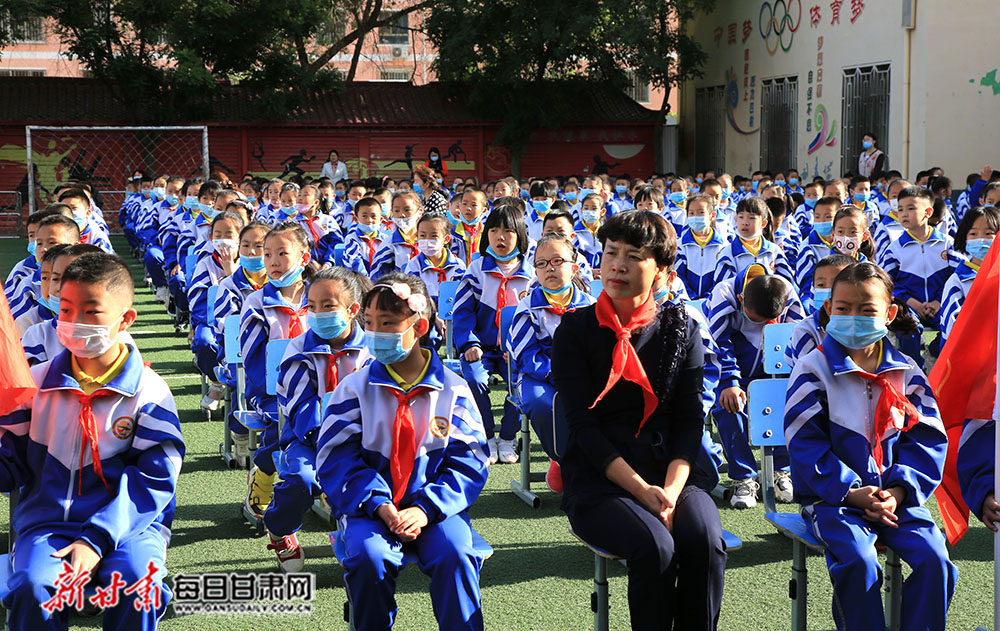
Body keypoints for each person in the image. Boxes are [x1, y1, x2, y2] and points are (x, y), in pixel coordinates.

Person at [552, 210, 726, 630]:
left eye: (634, 256)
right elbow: (582, 426)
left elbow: (689, 421)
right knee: (656, 547)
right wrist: (641, 490)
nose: (618, 265)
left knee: (705, 541)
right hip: (601, 477)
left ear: (663, 271)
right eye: (611, 252)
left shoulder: (682, 329)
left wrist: (667, 491)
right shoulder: (575, 329)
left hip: (672, 471)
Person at [0, 252, 184, 629]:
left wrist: (97, 539)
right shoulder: (34, 385)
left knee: (137, 583)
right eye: (65, 310)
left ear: (125, 319)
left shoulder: (149, 393)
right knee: (34, 587)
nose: (74, 322)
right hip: (46, 525)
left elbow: (154, 482)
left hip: (130, 528)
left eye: (91, 312)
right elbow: (8, 468)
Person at [785, 262, 956, 631]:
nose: (853, 318)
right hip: (833, 501)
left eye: (867, 311)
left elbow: (927, 438)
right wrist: (852, 492)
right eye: (843, 309)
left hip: (897, 499)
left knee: (936, 560)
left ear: (890, 314)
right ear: (829, 309)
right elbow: (804, 444)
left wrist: (897, 491)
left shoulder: (907, 370)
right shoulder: (813, 369)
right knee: (860, 561)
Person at [315, 274, 490, 631]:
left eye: (388, 323)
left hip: (437, 510)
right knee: (368, 557)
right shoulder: (355, 388)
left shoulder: (453, 390)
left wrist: (425, 509)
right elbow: (335, 457)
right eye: (369, 323)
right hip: (370, 509)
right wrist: (380, 504)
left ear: (420, 325)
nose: (376, 332)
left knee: (456, 554)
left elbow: (469, 461)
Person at [265, 267, 372, 571]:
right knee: (302, 477)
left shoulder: (371, 350)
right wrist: (330, 445)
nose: (318, 313)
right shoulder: (298, 350)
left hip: (363, 438)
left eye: (328, 306)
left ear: (352, 310)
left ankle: (363, 534)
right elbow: (300, 408)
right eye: (312, 306)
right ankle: (280, 526)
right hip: (308, 439)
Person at [708, 262, 804, 507]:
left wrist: (785, 382)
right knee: (729, 406)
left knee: (789, 401)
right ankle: (744, 477)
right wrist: (729, 381)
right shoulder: (724, 292)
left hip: (772, 372)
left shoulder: (787, 293)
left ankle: (778, 470)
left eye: (768, 321)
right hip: (731, 374)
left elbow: (794, 341)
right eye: (754, 319)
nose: (760, 325)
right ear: (741, 299)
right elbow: (718, 343)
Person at [508, 234, 595, 492]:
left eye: (557, 261)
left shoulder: (590, 307)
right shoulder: (527, 308)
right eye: (542, 263)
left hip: (582, 378)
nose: (550, 269)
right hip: (539, 378)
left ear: (574, 267)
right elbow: (527, 356)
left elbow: (599, 351)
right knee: (542, 404)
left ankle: (594, 462)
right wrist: (562, 378)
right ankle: (561, 459)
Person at [241, 222, 312, 520]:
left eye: (283, 253)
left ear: (304, 258)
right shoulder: (257, 302)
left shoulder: (320, 297)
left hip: (319, 386)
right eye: (267, 254)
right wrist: (278, 390)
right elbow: (253, 357)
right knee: (280, 420)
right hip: (271, 390)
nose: (272, 261)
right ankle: (266, 473)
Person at [453, 205, 535, 464]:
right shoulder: (476, 270)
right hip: (482, 348)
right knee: (475, 379)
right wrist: (469, 343)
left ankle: (508, 438)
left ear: (521, 236)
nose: (500, 237)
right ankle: (487, 436)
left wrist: (524, 348)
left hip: (516, 349)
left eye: (509, 231)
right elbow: (462, 313)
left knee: (521, 385)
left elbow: (535, 318)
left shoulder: (532, 275)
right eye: (494, 230)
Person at [190, 211, 244, 411]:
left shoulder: (250, 262)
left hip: (243, 323)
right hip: (213, 322)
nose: (223, 240)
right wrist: (210, 322)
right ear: (210, 237)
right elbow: (197, 299)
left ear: (240, 237)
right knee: (204, 341)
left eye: (229, 234)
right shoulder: (205, 263)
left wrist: (231, 273)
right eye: (218, 234)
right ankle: (217, 383)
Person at [940, 205, 999, 345]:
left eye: (988, 233)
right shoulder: (957, 281)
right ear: (964, 238)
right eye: (973, 234)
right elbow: (951, 327)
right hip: (972, 353)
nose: (981, 239)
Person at [784, 254, 855, 369]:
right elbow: (809, 374)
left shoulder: (863, 326)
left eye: (837, 283)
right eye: (821, 285)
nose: (828, 290)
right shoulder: (805, 330)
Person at [714, 196, 794, 285]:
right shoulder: (728, 254)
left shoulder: (774, 251)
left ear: (763, 223)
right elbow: (722, 289)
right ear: (735, 219)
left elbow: (787, 284)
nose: (745, 222)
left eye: (751, 218)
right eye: (741, 217)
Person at [674, 193, 727, 301]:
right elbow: (678, 277)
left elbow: (723, 278)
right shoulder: (679, 246)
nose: (695, 216)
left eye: (701, 212)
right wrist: (691, 298)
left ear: (712, 215)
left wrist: (709, 298)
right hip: (686, 303)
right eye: (691, 213)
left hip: (714, 302)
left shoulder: (724, 247)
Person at [371, 191, 423, 279]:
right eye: (396, 211)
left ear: (420, 211)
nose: (401, 215)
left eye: (407, 210)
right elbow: (377, 276)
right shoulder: (389, 244)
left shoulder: (428, 241)